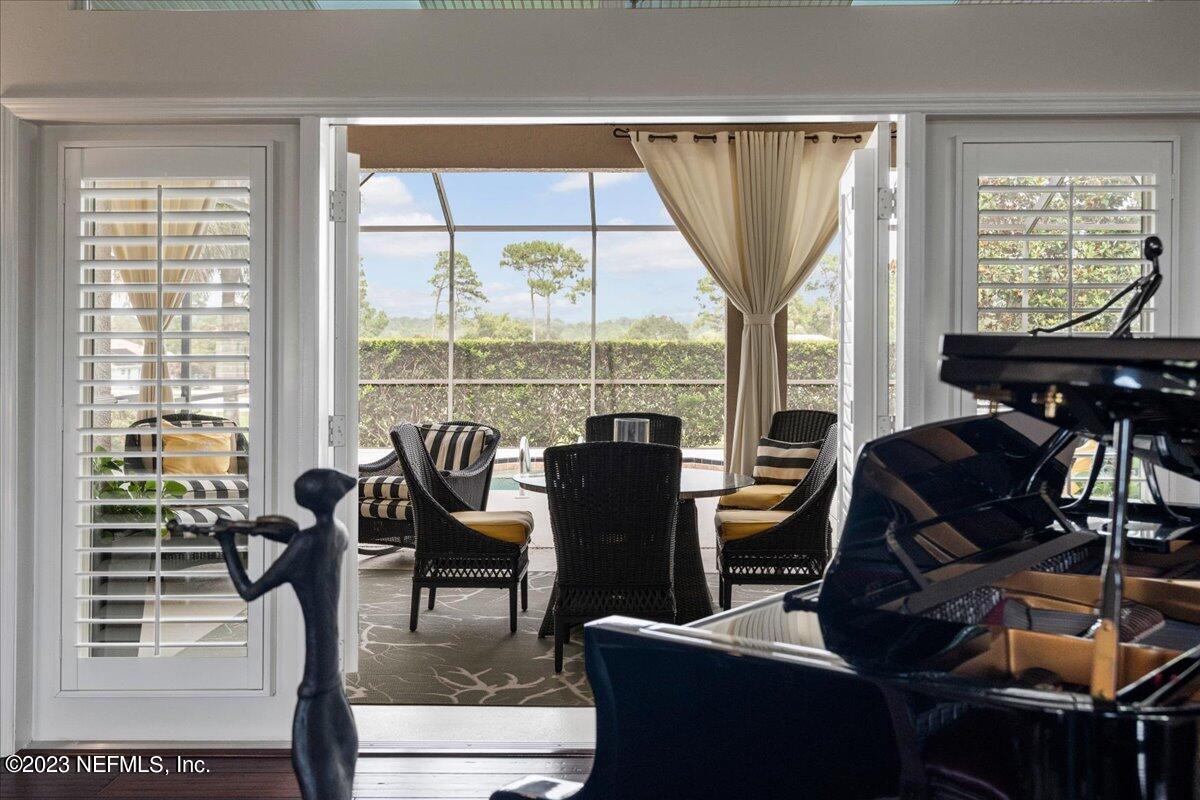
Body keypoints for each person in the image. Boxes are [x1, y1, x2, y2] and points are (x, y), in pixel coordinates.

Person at [169, 468, 358, 800]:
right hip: (334, 678)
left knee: (315, 774)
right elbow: (299, 539)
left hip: (315, 683)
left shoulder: (305, 543)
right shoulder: (337, 533)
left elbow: (249, 590)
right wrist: (257, 530)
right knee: (340, 767)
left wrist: (227, 542)